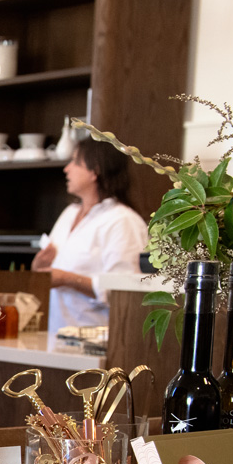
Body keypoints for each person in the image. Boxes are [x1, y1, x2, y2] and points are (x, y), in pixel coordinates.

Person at [33, 137, 148, 330]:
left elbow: (126, 290)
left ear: (95, 170)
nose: (66, 169)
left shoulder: (122, 220)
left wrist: (68, 279)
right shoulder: (69, 214)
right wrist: (38, 267)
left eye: (75, 162)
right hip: (57, 333)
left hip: (97, 338)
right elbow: (50, 268)